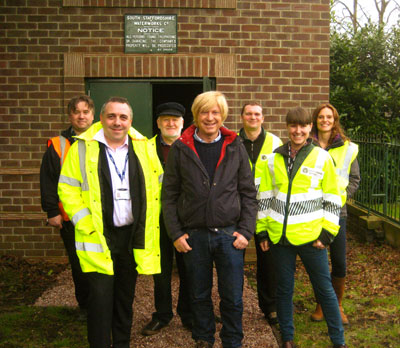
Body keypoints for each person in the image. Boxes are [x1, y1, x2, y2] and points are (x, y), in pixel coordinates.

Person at [58, 97, 163, 348]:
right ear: (102, 118)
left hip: (130, 237)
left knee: (125, 299)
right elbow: (67, 188)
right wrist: (85, 223)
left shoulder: (144, 148)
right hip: (98, 236)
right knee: (100, 300)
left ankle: (122, 343)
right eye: (112, 116)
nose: (117, 122)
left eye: (123, 117)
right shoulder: (82, 147)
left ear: (130, 121)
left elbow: (158, 187)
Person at [161, 91, 257, 348]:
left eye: (215, 112)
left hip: (229, 235)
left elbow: (248, 193)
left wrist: (246, 231)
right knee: (198, 294)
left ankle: (232, 340)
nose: (210, 117)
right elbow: (169, 195)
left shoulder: (235, 145)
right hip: (195, 236)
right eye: (205, 112)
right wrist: (176, 234)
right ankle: (203, 338)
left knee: (233, 296)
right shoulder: (181, 148)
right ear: (196, 115)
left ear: (223, 115)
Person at [256, 106, 348, 348]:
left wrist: (328, 233)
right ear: (287, 127)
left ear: (310, 128)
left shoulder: (322, 157)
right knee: (284, 290)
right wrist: (263, 230)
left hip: (312, 237)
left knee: (324, 290)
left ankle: (338, 341)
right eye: (293, 126)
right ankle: (287, 338)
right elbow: (265, 196)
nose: (298, 131)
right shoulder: (274, 158)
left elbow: (332, 197)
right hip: (280, 238)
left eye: (303, 126)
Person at [141, 102, 193, 336]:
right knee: (160, 271)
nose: (171, 123)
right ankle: (162, 314)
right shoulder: (143, 148)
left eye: (175, 120)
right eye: (166, 119)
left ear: (183, 123)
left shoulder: (193, 146)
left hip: (186, 220)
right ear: (158, 123)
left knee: (189, 270)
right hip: (157, 220)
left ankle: (188, 313)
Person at [40, 95, 93, 314]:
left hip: (99, 215)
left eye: (86, 111)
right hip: (70, 217)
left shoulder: (104, 139)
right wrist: (52, 211)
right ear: (70, 115)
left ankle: (104, 307)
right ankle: (85, 307)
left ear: (93, 115)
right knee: (79, 264)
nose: (81, 116)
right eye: (76, 111)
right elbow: (48, 180)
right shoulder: (58, 145)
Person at [310, 103, 360, 325]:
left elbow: (354, 179)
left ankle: (337, 305)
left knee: (339, 261)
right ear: (316, 120)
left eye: (329, 117)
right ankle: (321, 304)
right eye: (321, 117)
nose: (325, 120)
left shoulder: (348, 148)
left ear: (335, 119)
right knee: (318, 261)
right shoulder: (308, 145)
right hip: (312, 212)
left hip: (338, 213)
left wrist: (340, 198)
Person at [238, 102, 282, 325]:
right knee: (234, 260)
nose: (253, 117)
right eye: (249, 114)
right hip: (238, 209)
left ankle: (270, 307)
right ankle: (234, 306)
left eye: (257, 114)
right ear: (242, 117)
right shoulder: (232, 141)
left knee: (268, 261)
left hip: (267, 210)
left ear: (263, 118)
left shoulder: (275, 142)